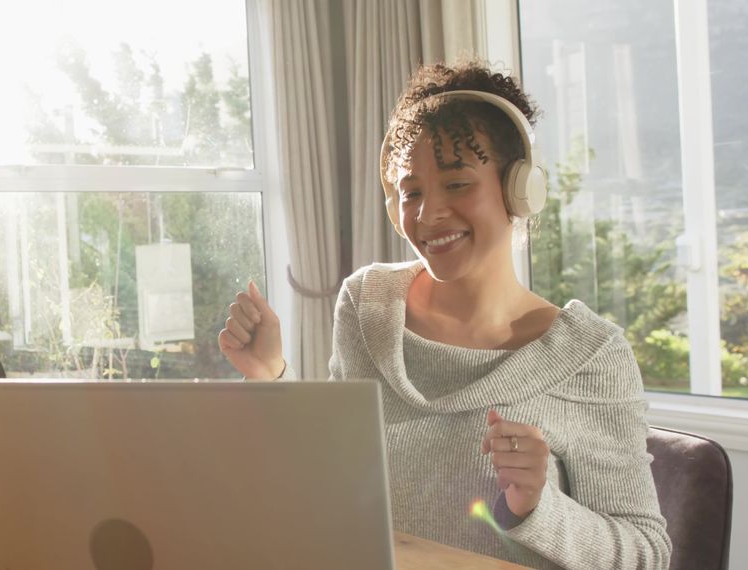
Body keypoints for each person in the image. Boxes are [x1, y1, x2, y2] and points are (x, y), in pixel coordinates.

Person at [217, 60, 671, 569]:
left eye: (457, 184)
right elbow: (331, 473)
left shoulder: (588, 354)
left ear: (519, 189)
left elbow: (645, 555)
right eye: (411, 192)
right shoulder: (367, 304)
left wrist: (540, 505)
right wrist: (270, 375)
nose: (428, 214)